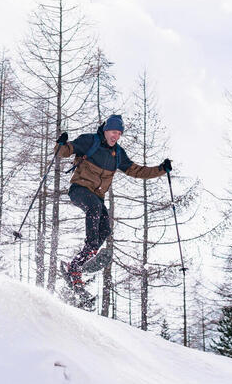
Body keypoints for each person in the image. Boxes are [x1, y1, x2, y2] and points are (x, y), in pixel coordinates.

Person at [56, 114, 172, 298]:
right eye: (113, 131)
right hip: (79, 190)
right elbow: (65, 151)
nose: (115, 136)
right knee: (94, 211)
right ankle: (90, 248)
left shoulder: (118, 154)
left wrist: (160, 169)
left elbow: (137, 171)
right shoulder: (89, 141)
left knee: (105, 229)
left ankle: (75, 266)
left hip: (97, 197)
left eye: (119, 133)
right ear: (105, 129)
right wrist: (61, 144)